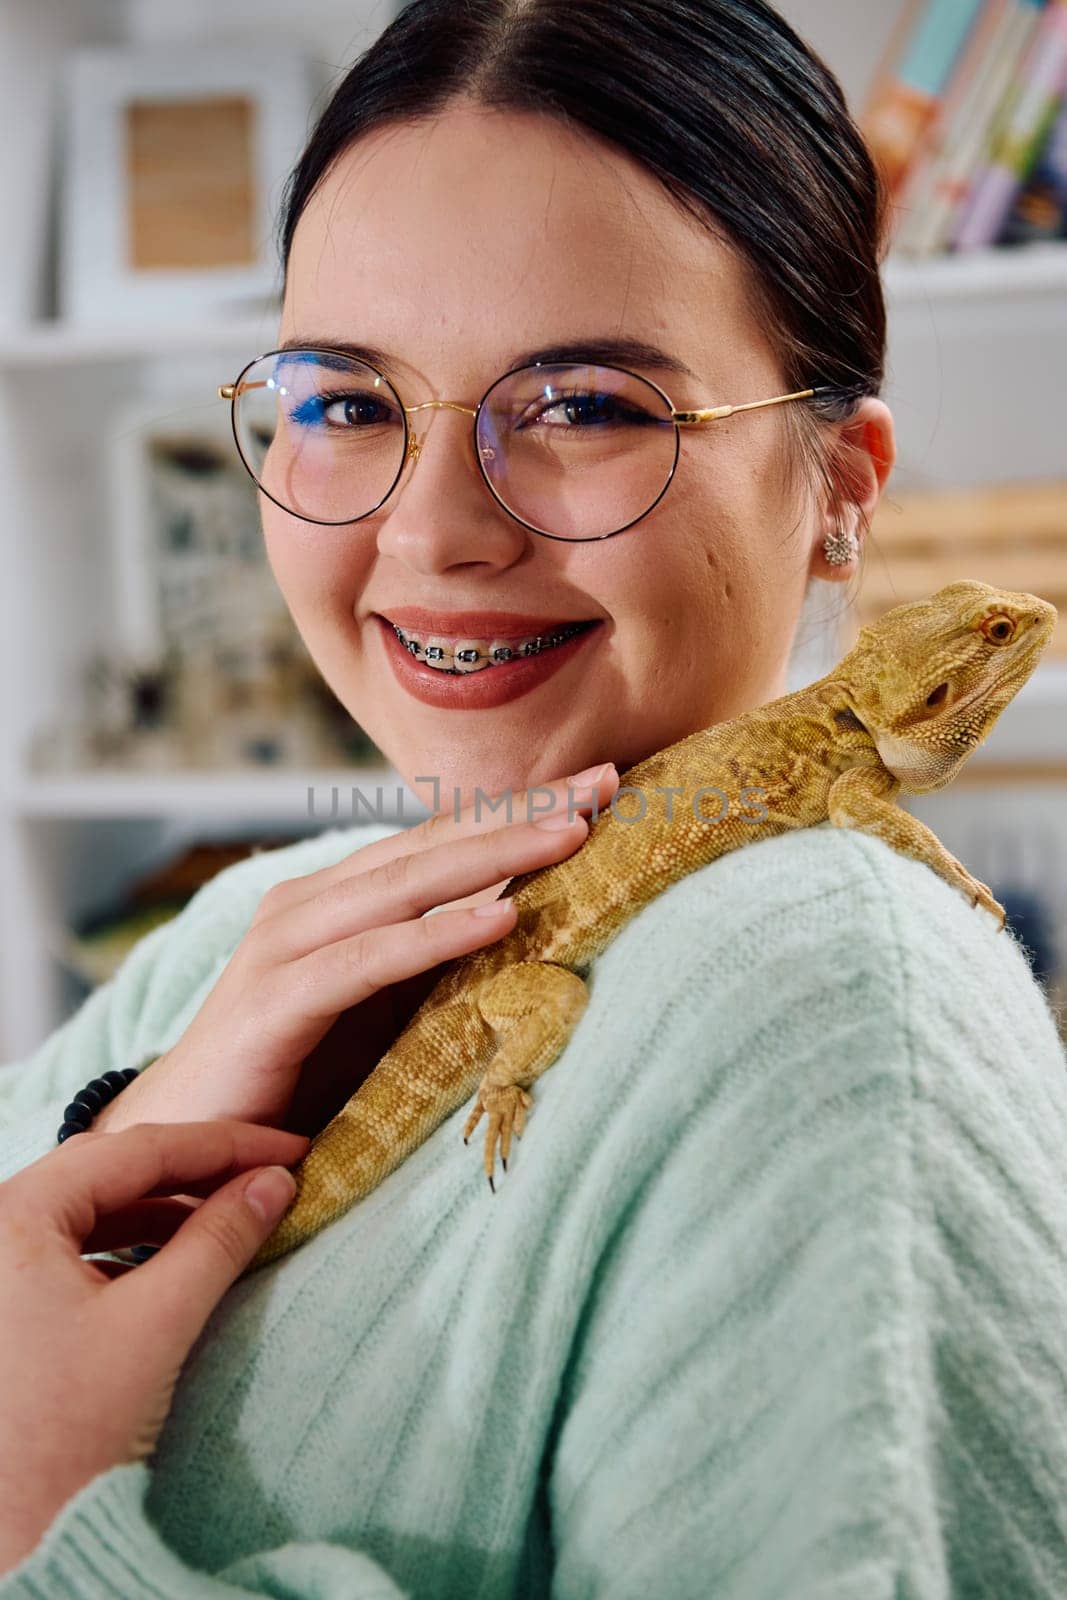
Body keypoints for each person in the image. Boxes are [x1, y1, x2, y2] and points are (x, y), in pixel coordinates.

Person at [2, 0, 1066, 1593]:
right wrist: (139, 1123)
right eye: (350, 402)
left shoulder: (829, 989)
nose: (433, 535)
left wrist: (46, 1535)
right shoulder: (243, 934)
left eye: (583, 408)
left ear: (839, 493)